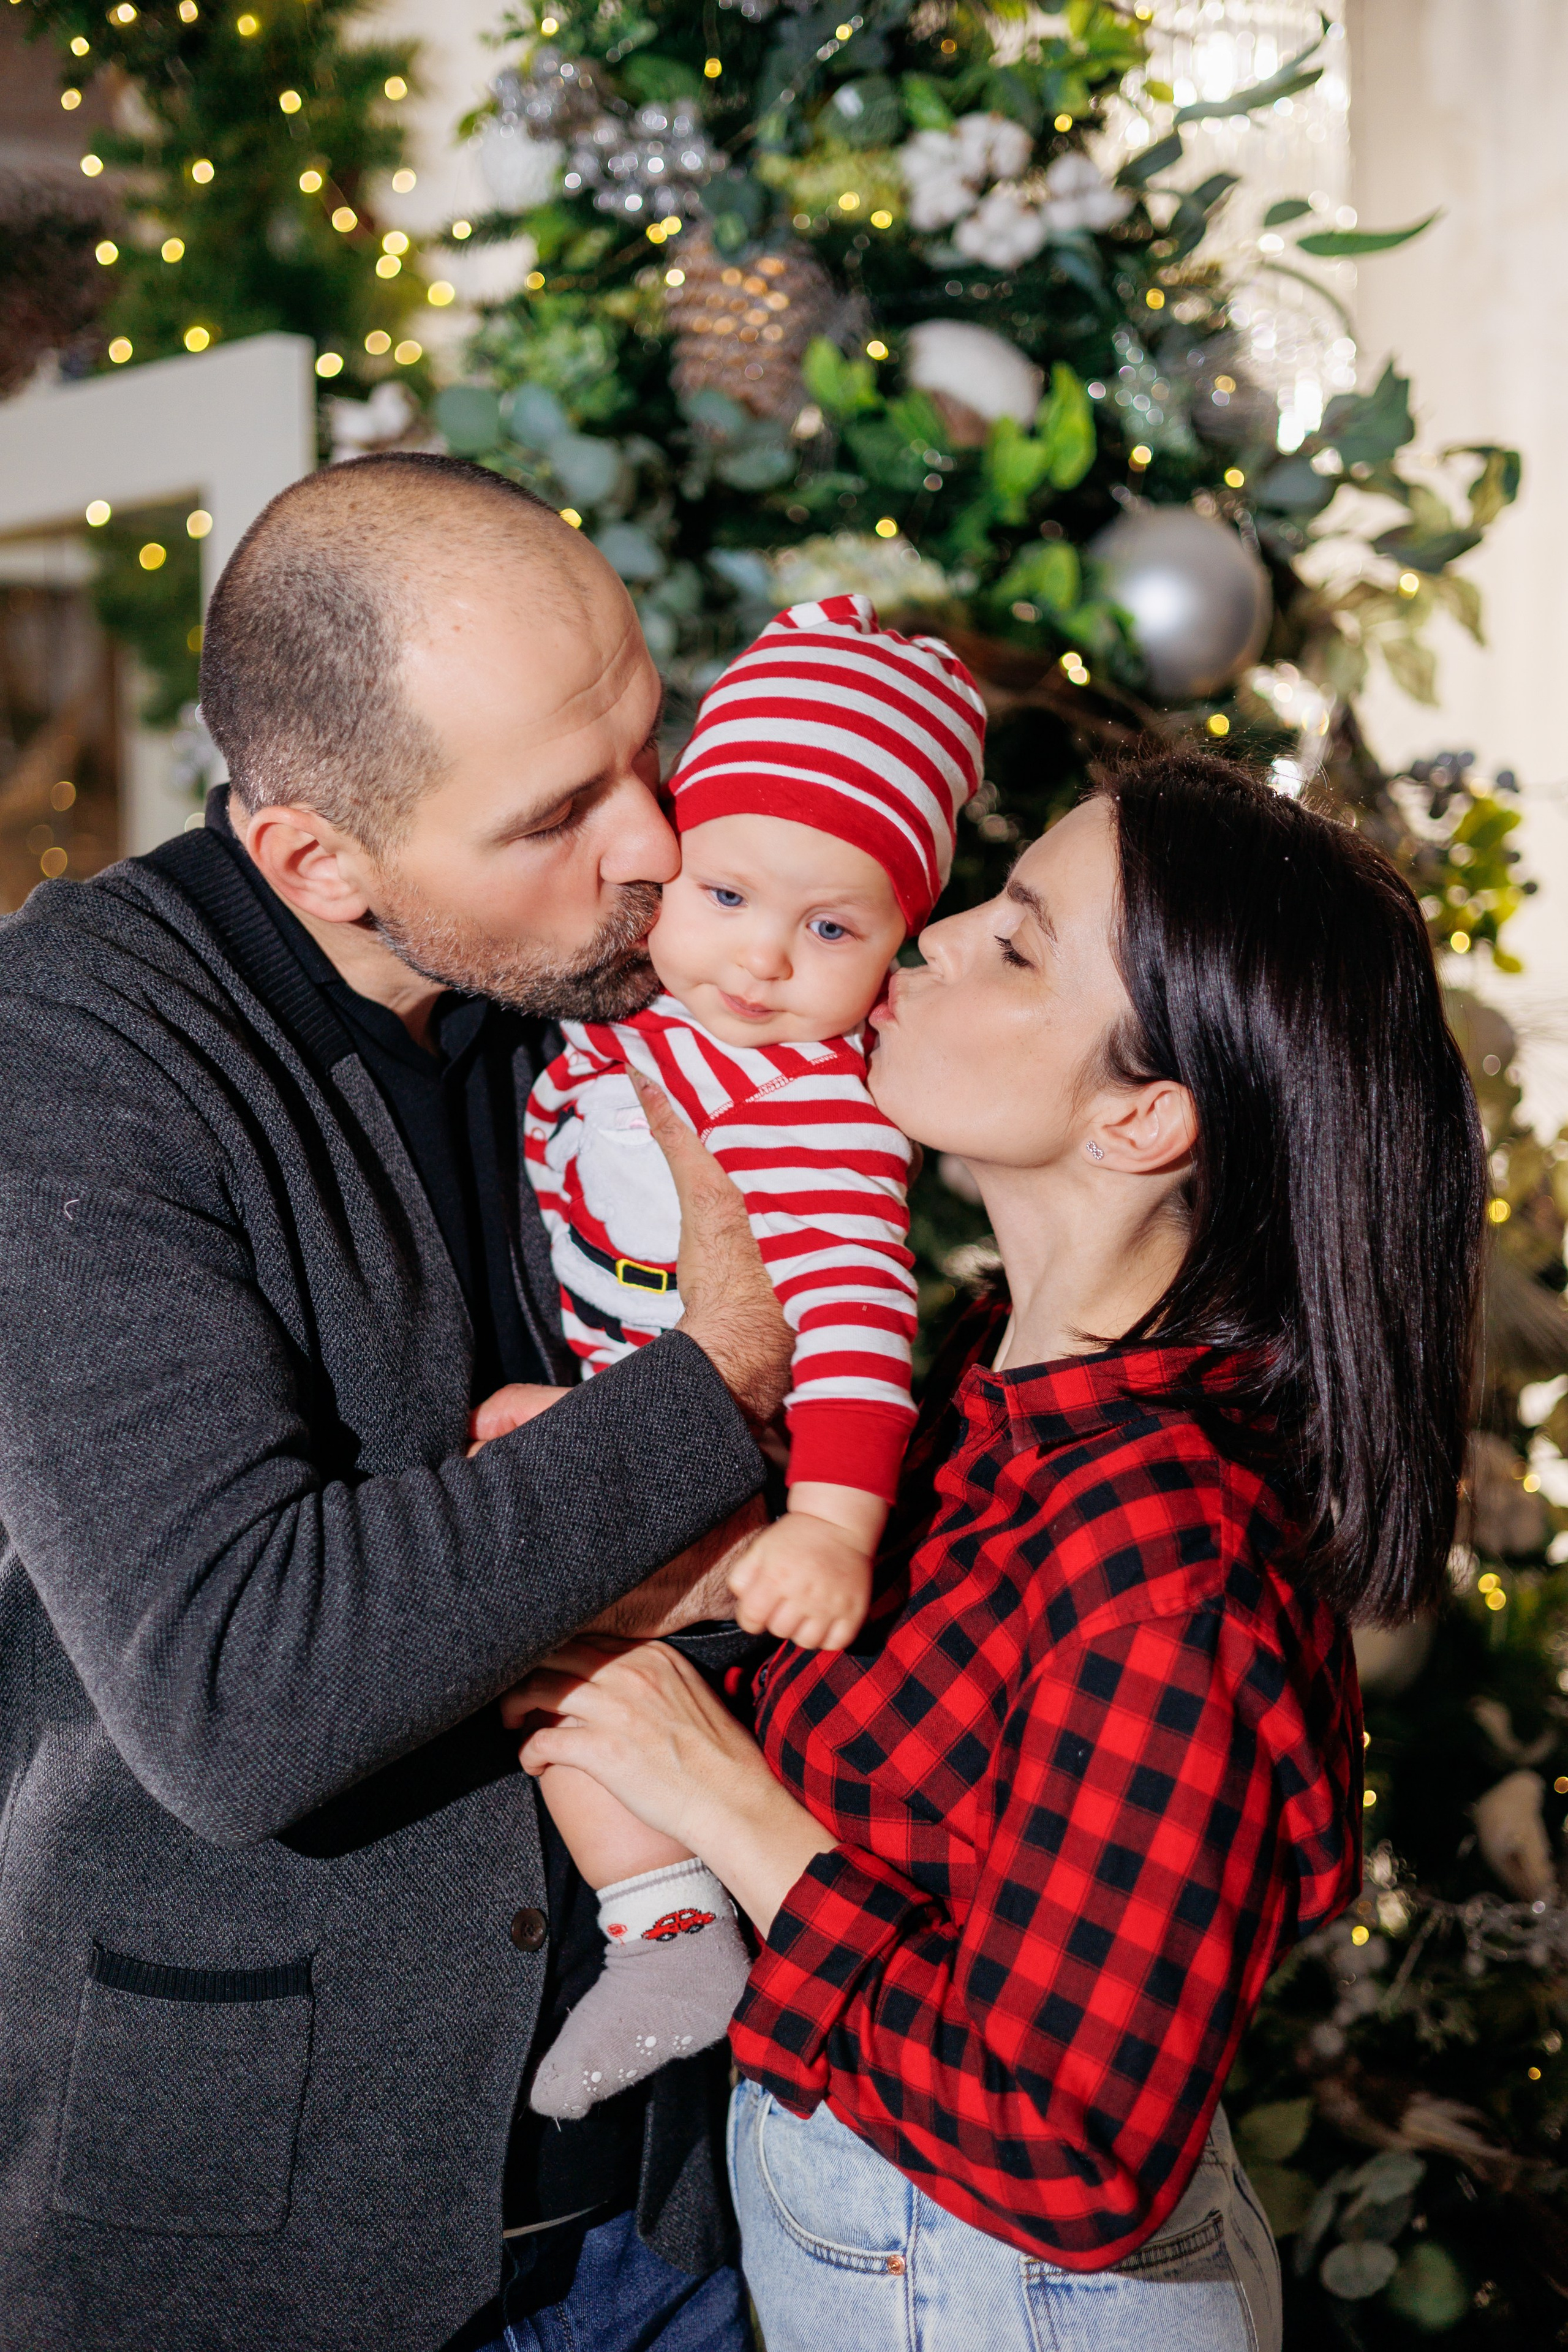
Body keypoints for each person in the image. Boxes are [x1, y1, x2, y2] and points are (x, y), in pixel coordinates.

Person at [502, 753, 1487, 2352]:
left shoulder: (1175, 1563)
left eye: (1016, 944)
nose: (933, 935)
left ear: (1142, 1116)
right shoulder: (983, 1379)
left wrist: (723, 1801)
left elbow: (1068, 2146)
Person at [0, 451, 797, 2352]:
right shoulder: (70, 1052)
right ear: (318, 862)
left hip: (675, 2213)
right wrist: (718, 1386)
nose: (654, 841)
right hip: (262, 2247)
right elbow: (238, 1694)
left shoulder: (608, 975)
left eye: (648, 740)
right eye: (556, 813)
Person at [498, 595, 983, 2123]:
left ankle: (663, 1934)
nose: (762, 959)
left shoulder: (816, 1110)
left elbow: (855, 1327)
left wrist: (829, 1524)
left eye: (831, 930)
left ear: (893, 956)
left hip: (741, 1484)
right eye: (725, 894)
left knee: (562, 1675)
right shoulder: (648, 1010)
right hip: (626, 1401)